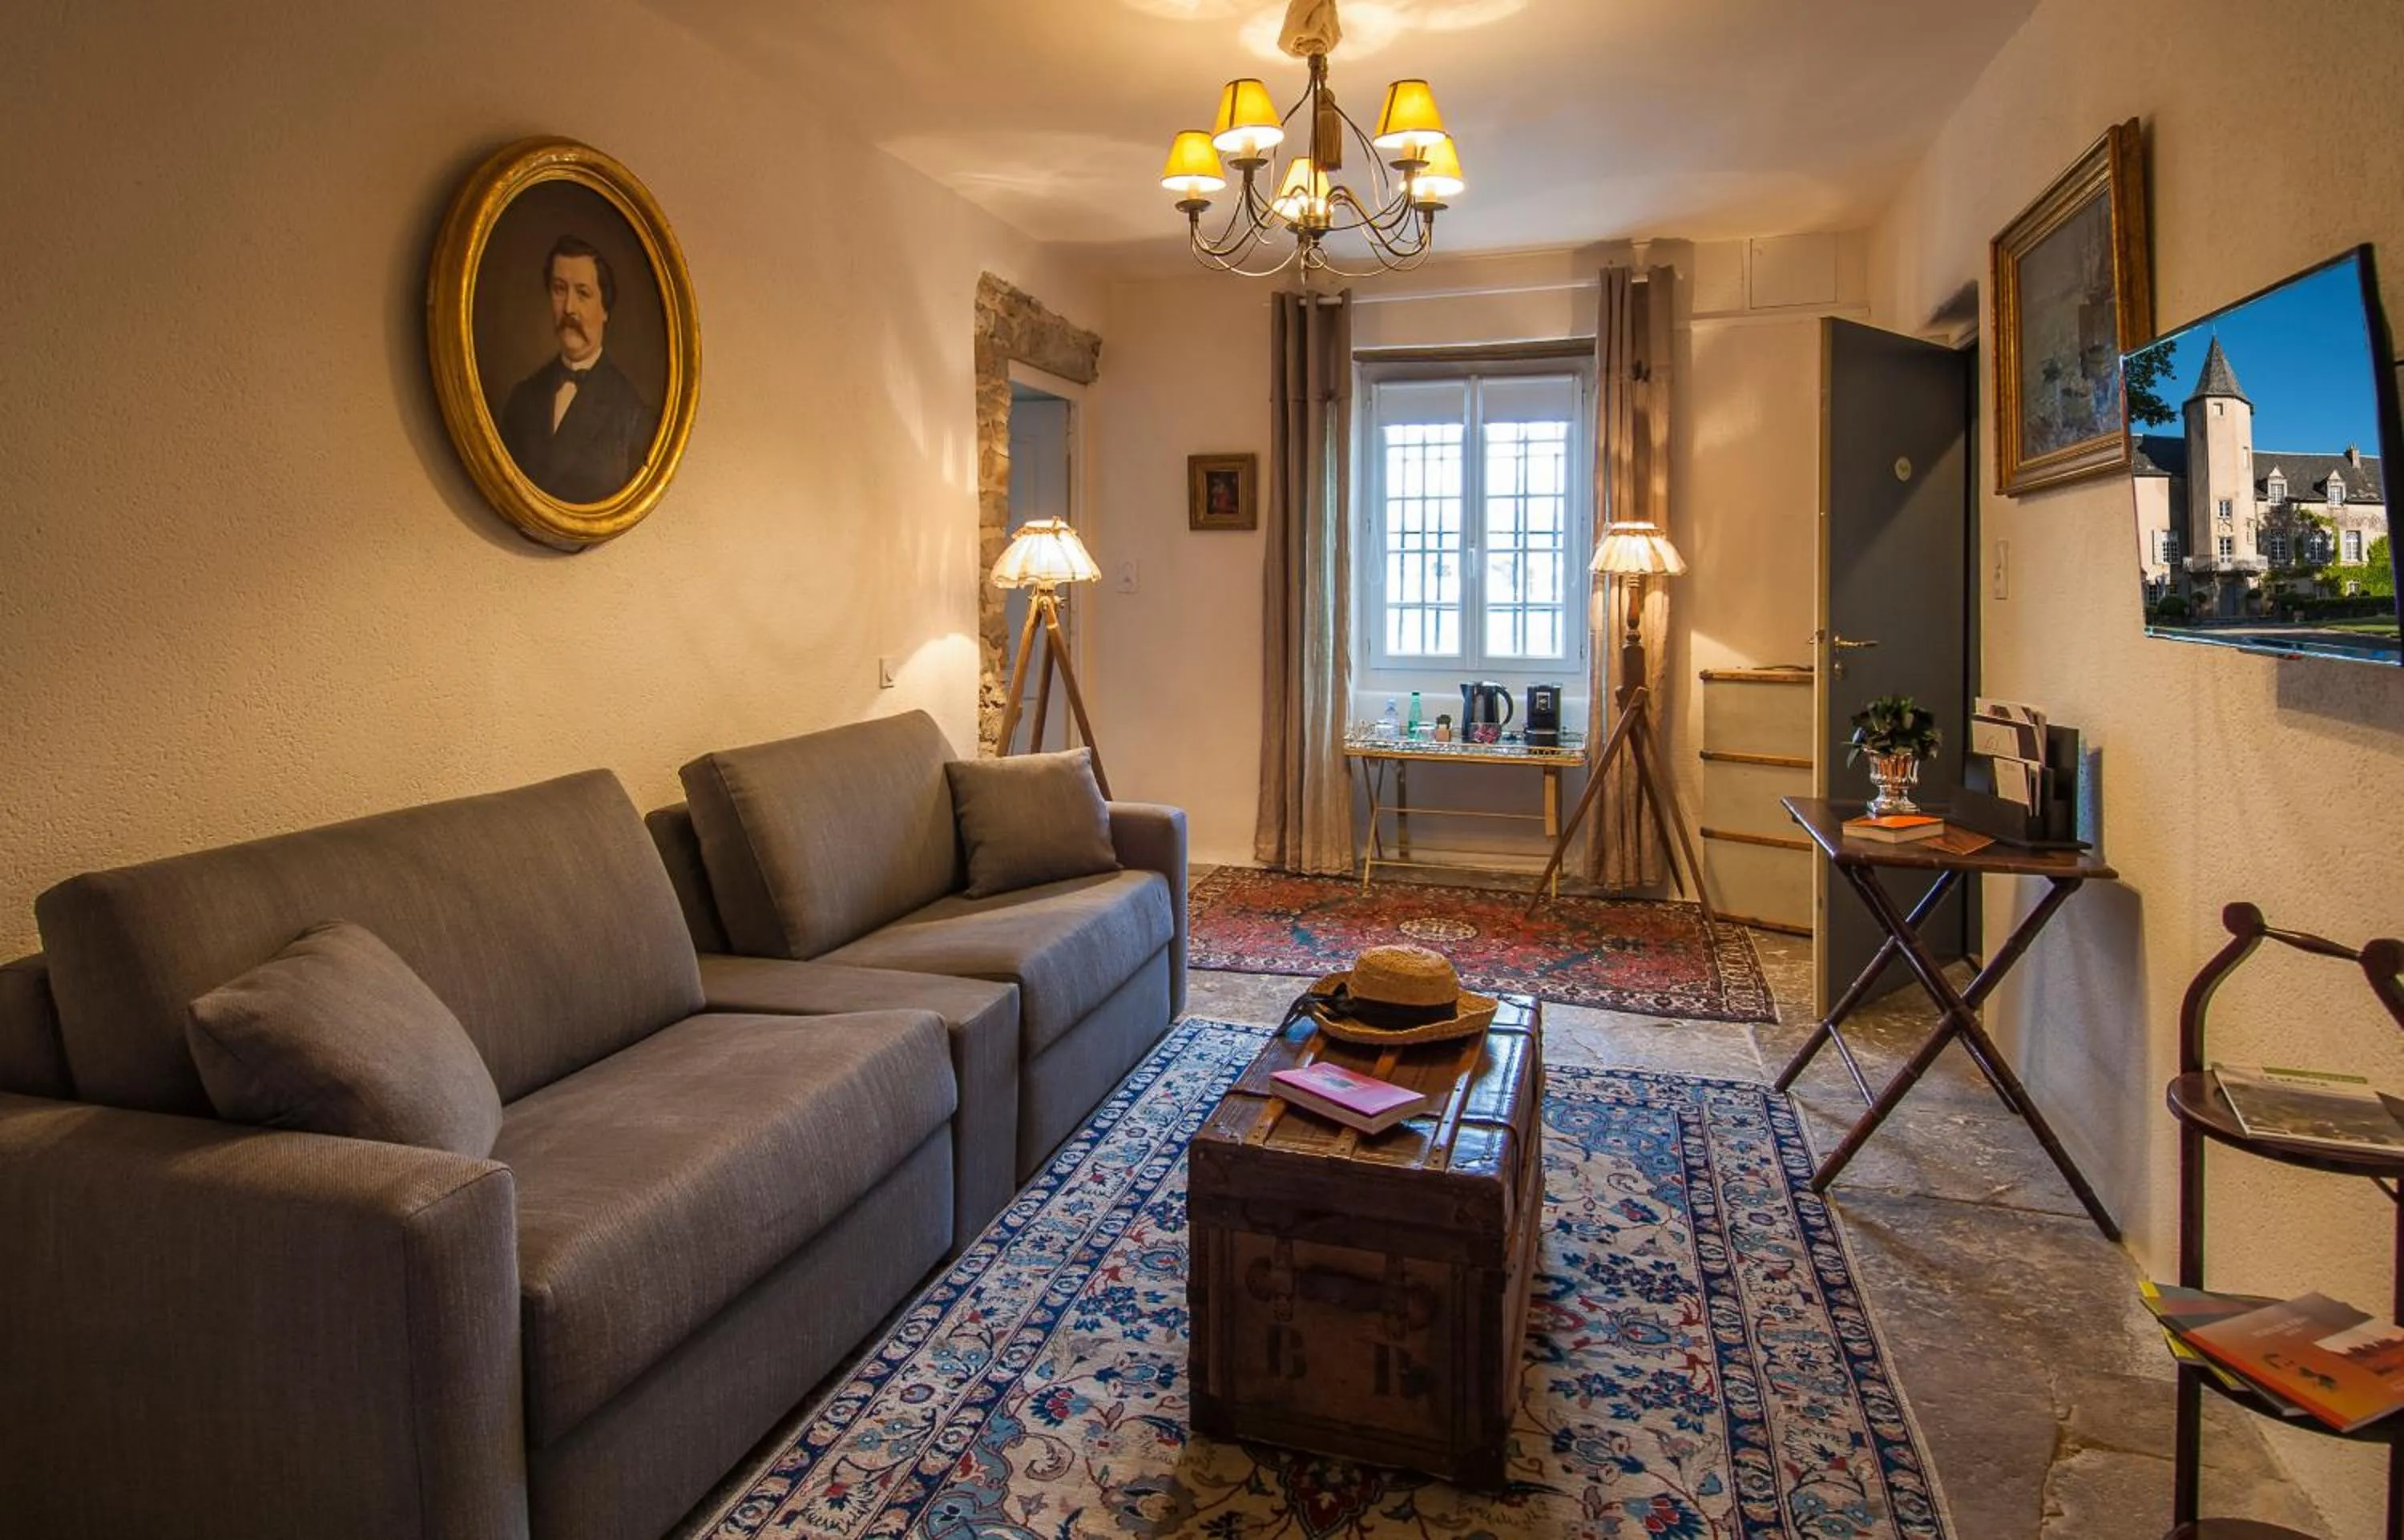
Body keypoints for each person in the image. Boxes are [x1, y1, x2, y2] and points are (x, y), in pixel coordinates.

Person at [497, 235, 655, 504]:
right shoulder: (522, 399)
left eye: (583, 293)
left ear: (605, 308)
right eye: (560, 289)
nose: (569, 309)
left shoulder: (632, 415)